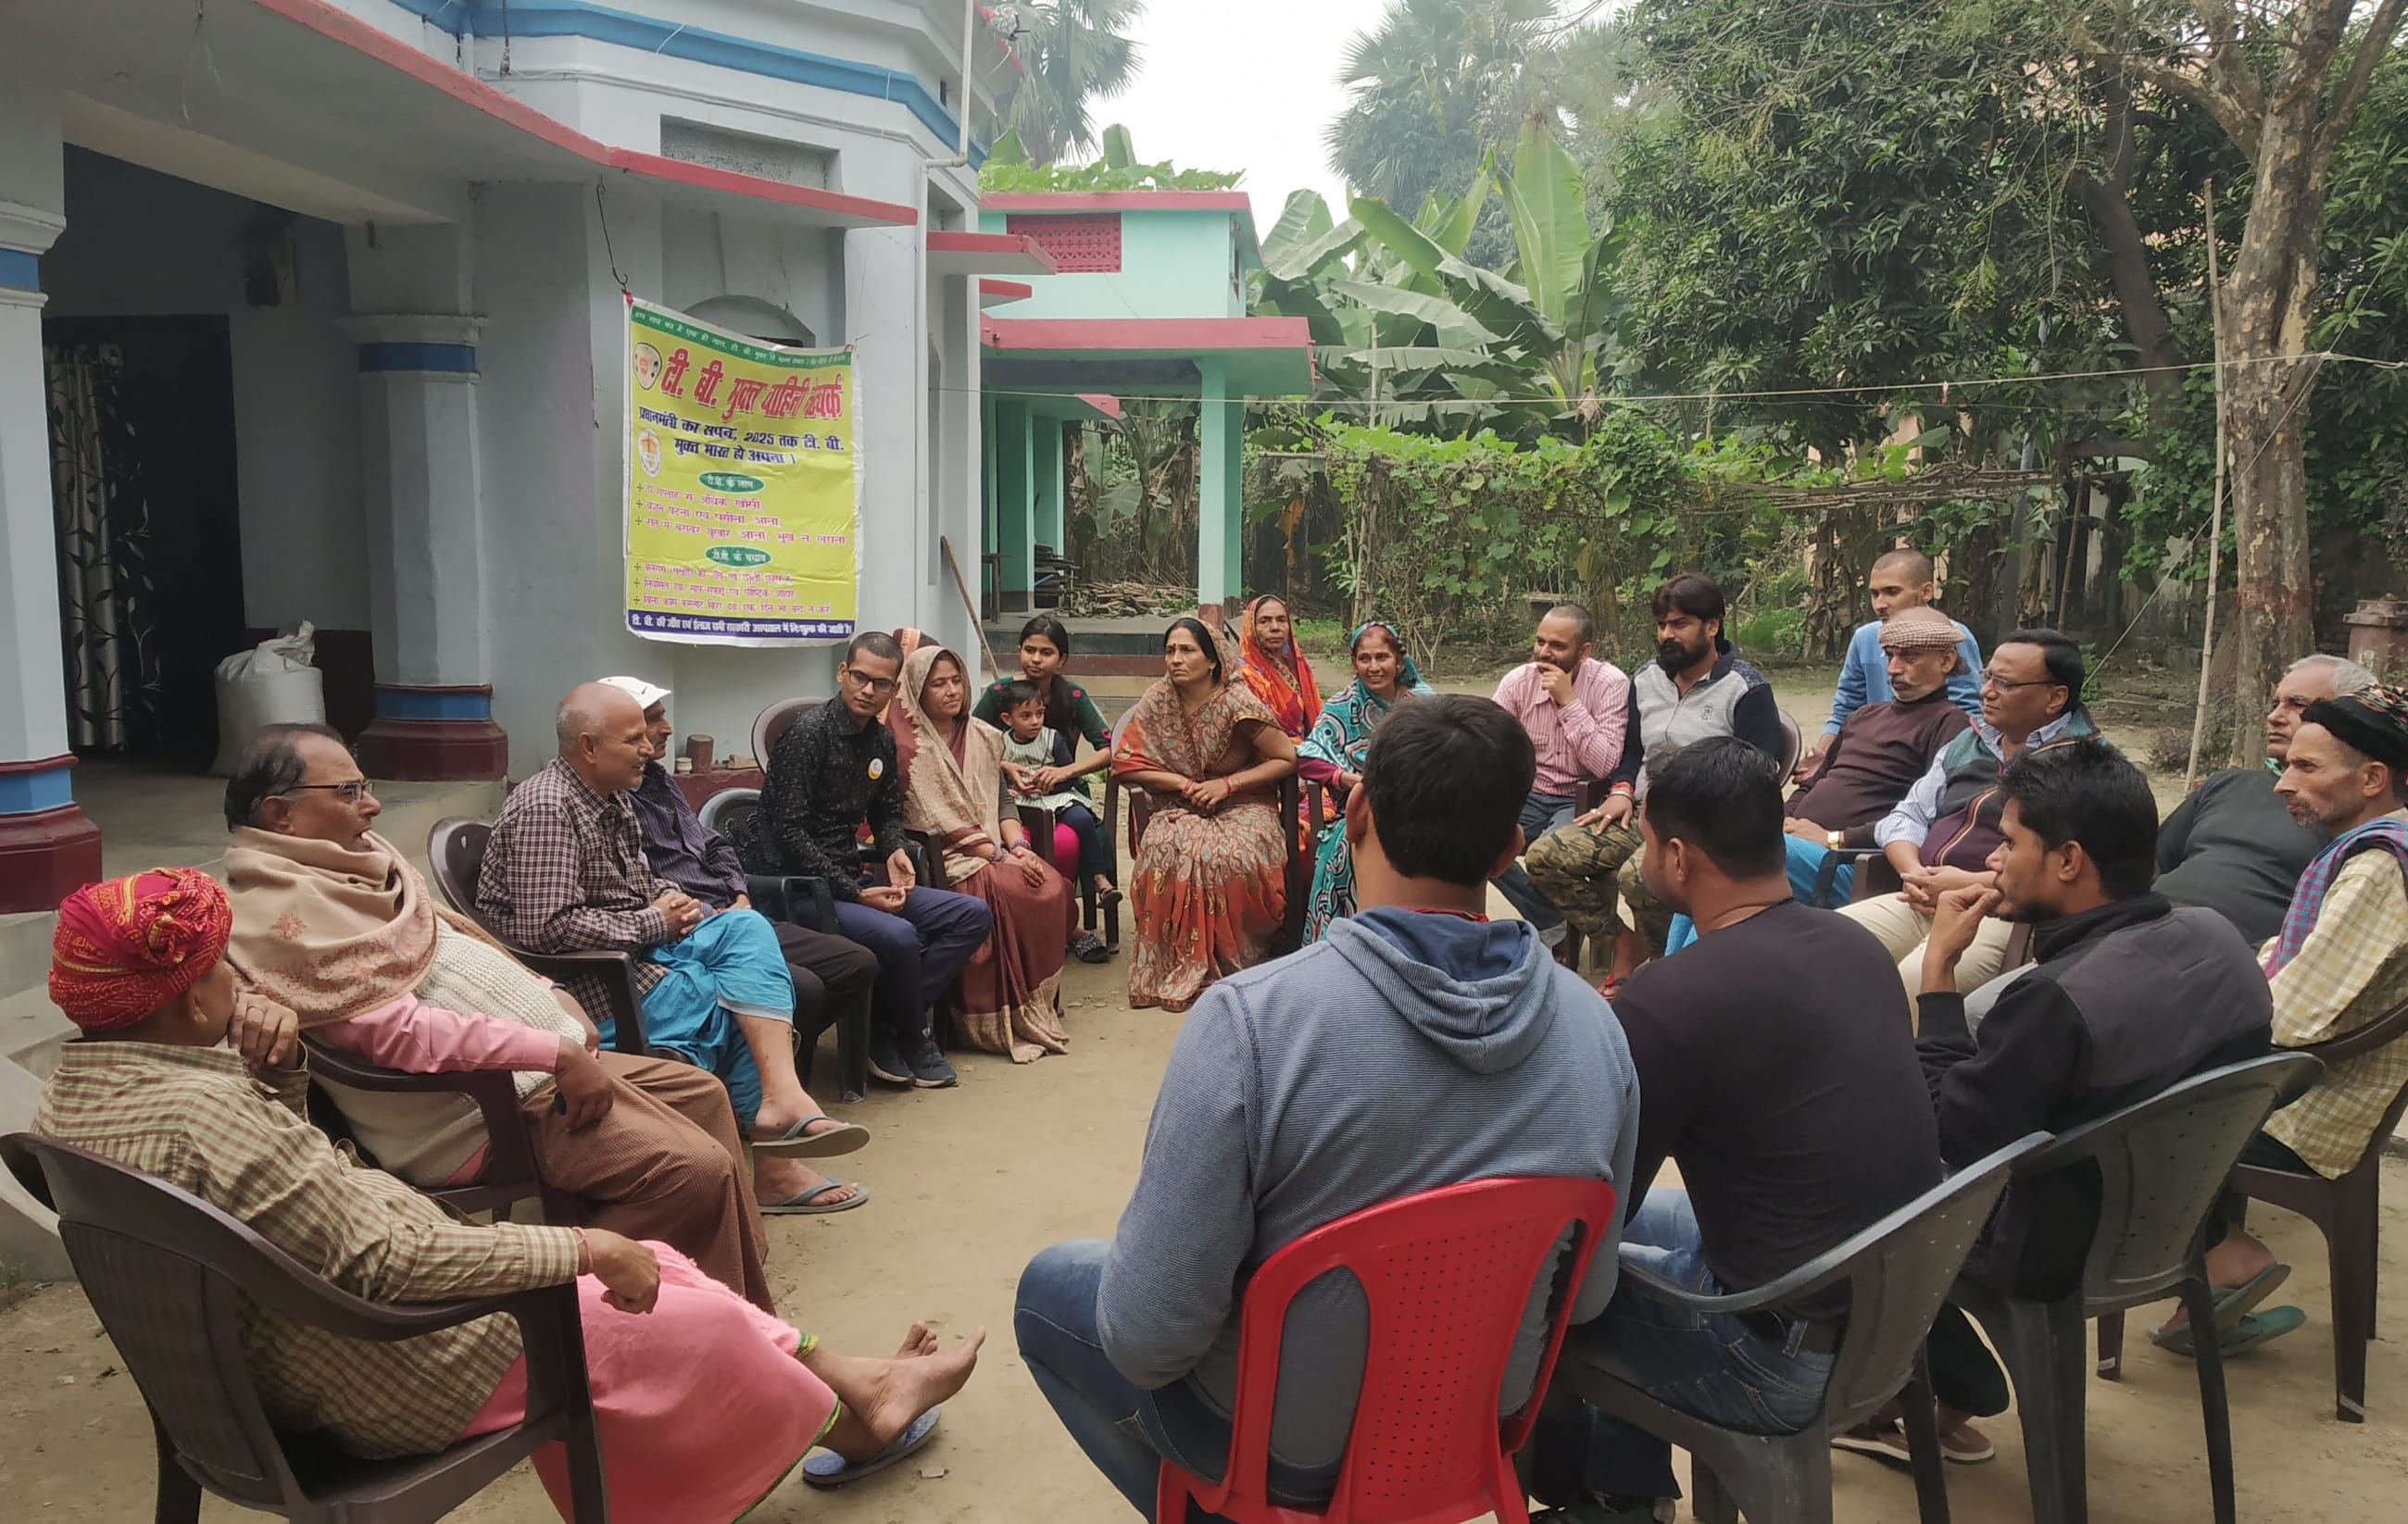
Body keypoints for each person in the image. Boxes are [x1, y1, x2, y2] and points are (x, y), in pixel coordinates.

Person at [36, 868, 982, 1524]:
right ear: (187, 994)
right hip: (387, 1358)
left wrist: (277, 1073)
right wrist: (582, 1249)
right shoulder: (205, 1113)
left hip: (269, 1358)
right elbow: (389, 1262)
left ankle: (859, 1388)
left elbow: (278, 1181)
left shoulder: (78, 1094)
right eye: (218, 969)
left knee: (670, 1275)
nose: (236, 980)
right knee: (665, 1291)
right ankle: (860, 1410)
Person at [1017, 695, 1639, 1515]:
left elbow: (1147, 1339)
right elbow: (1586, 1299)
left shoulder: (1250, 1025)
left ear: (1354, 814)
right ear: (1510, 849)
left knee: (1049, 1287)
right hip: (1473, 1430)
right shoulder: (1598, 1029)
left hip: (1282, 1450)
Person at [219, 724, 790, 1308]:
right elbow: (400, 1034)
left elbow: (462, 947)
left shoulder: (360, 867)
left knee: (702, 1093)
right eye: (347, 791)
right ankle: (584, 1314)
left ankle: (732, 1299)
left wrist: (549, 992)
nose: (372, 803)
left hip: (538, 1057)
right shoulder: (285, 914)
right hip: (474, 1107)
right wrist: (556, 1048)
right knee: (692, 1170)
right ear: (279, 813)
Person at [1826, 740, 2275, 1466]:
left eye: (2008, 843)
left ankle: (1922, 1384)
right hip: (2175, 1223)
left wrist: (1938, 973)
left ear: (2069, 861)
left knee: (1837, 1164)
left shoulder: (2055, 1002)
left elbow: (1953, 1136)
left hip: (2050, 1243)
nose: (1994, 861)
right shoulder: (2219, 937)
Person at [1530, 737, 1942, 1520]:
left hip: (1775, 1351)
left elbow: (1595, 1214)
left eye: (1645, 842)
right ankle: (1631, 1491)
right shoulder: (1853, 945)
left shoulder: (1672, 997)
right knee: (1638, 1238)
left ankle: (1603, 1500)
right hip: (1886, 1307)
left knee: (1544, 1281)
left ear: (1677, 856)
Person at [476, 684, 871, 1215]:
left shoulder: (611, 796)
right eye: (634, 736)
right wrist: (653, 922)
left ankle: (783, 1101)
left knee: (746, 929)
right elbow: (546, 930)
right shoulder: (547, 808)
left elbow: (635, 884)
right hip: (593, 987)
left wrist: (669, 901)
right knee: (736, 1002)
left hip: (644, 949)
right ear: (589, 746)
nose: (648, 746)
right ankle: (773, 1165)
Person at [2171, 685, 2408, 1357]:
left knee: (2103, 1109)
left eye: (2307, 768)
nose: (2283, 785)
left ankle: (2222, 1256)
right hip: (2303, 1090)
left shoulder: (2377, 869)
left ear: (2371, 779)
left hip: (2302, 1113)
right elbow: (2281, 960)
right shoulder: (2370, 849)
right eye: (2286, 766)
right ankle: (2208, 1280)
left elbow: (2293, 1019)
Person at [734, 631, 995, 1091]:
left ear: (895, 690)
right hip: (796, 888)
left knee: (970, 914)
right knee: (898, 934)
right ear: (843, 674)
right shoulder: (809, 736)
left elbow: (886, 813)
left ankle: (886, 1026)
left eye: (882, 684)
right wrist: (854, 890)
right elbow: (788, 831)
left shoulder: (879, 741)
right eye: (860, 678)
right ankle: (914, 1035)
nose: (868, 690)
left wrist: (894, 849)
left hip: (849, 879)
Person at [599, 675, 884, 1076]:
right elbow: (636, 892)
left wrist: (737, 892)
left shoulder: (659, 780)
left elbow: (713, 844)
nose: (665, 729)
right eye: (652, 720)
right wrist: (704, 913)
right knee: (804, 986)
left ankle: (770, 1066)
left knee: (856, 962)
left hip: (735, 911)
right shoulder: (601, 801)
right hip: (692, 927)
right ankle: (771, 1083)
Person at [1524, 574, 1780, 983]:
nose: (1666, 635)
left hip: (1705, 825)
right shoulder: (1645, 679)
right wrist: (1622, 789)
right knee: (1546, 856)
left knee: (1638, 877)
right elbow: (1630, 751)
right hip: (1642, 812)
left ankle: (1668, 973)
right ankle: (1624, 944)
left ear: (1712, 626)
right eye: (1662, 625)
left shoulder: (1745, 688)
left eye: (1679, 624)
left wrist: (1702, 815)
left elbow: (1760, 771)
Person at [1838, 628, 2099, 998]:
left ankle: (1907, 1057)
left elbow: (2066, 873)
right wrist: (1914, 873)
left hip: (2002, 911)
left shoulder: (2084, 762)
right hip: (1919, 895)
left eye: (2005, 683)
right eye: (1987, 676)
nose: (1985, 691)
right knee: (1821, 946)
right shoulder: (1970, 740)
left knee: (1911, 984)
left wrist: (1964, 882)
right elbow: (1906, 816)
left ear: (2055, 696)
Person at [887, 643, 1079, 1062]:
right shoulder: (907, 750)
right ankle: (989, 1018)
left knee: (1054, 887)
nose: (951, 691)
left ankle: (1032, 1003)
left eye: (956, 680)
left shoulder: (985, 736)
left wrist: (1019, 847)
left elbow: (1002, 801)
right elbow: (926, 818)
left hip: (996, 845)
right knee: (1011, 892)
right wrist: (997, 855)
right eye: (938, 683)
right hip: (947, 859)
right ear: (917, 691)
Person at [1110, 617, 1299, 1013]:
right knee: (1163, 847)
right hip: (1181, 805)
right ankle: (1173, 962)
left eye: (1186, 650)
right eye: (1170, 651)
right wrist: (1181, 785)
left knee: (1225, 856)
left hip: (1243, 804)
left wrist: (1226, 786)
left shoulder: (1237, 702)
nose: (1175, 659)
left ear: (1212, 661)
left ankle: (1236, 959)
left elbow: (1285, 757)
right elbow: (1126, 764)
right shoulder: (1158, 701)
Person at [2154, 654, 2371, 943]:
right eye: (2274, 704)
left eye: (2297, 704)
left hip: (2229, 967)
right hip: (2138, 936)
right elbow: (2147, 864)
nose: (2274, 716)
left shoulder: (2356, 814)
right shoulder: (2227, 784)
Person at [1486, 602, 1638, 952]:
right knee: (1473, 838)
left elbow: (1605, 765)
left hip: (1581, 798)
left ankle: (1561, 937)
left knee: (1546, 854)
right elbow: (1488, 742)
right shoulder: (1518, 682)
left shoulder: (1610, 684)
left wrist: (1568, 701)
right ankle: (1553, 923)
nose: (1543, 653)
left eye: (1557, 646)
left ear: (1584, 651)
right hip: (1526, 793)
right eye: (1540, 642)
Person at [973, 615, 1120, 943]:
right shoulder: (999, 693)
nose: (1036, 659)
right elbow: (969, 740)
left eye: (1046, 652)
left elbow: (1110, 749)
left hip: (1061, 794)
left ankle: (1064, 919)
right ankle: (1017, 925)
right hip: (1006, 796)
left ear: (1062, 659)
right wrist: (1005, 766)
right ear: (1019, 650)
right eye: (1029, 650)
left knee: (1073, 835)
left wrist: (1065, 772)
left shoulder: (1074, 698)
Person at [1297, 619, 1437, 941]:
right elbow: (1307, 755)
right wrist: (1345, 778)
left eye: (1382, 657)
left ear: (1399, 661)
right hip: (1360, 810)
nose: (1374, 667)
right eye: (1365, 658)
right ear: (1354, 663)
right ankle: (1352, 943)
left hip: (1418, 808)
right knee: (1350, 849)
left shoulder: (1424, 704)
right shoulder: (1342, 706)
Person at [1797, 547, 1983, 775]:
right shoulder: (1865, 638)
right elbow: (1845, 709)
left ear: (1926, 592)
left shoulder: (1951, 636)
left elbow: (1968, 715)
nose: (1880, 604)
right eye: (1875, 594)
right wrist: (1824, 757)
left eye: (1892, 592)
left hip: (1925, 761)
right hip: (1872, 755)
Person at [997, 680, 1113, 964]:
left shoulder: (1052, 738)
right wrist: (1008, 787)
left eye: (1039, 714)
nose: (1035, 721)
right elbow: (993, 780)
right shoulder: (999, 743)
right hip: (1018, 807)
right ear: (1006, 719)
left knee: (1082, 819)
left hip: (1053, 800)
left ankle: (1099, 879)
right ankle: (1031, 926)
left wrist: (1052, 782)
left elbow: (1067, 776)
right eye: (1026, 716)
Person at [1231, 593, 1322, 741]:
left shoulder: (1298, 668)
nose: (1275, 627)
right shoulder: (1245, 675)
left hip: (1308, 748)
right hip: (1272, 755)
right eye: (1264, 621)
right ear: (1251, 627)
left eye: (1281, 620)